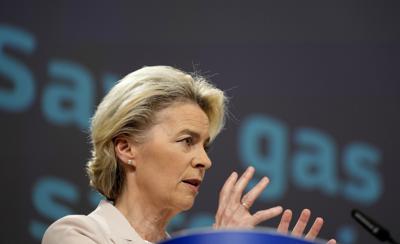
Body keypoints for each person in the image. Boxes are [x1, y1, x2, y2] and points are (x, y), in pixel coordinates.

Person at [42, 66, 336, 244]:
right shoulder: (76, 234)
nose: (205, 161)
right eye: (186, 141)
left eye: (204, 146)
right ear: (126, 148)